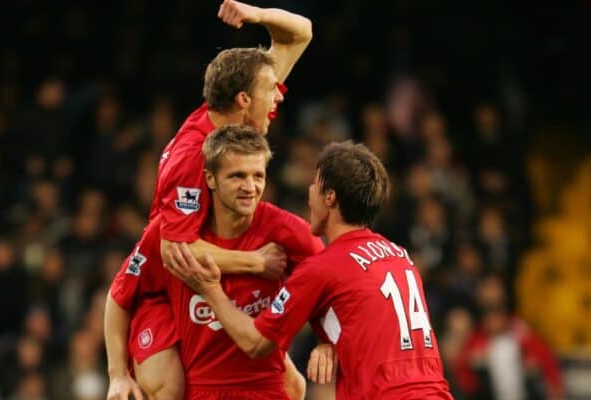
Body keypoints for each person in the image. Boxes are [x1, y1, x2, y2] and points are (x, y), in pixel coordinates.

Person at [105, 1, 313, 399]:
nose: (280, 97)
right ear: (243, 100)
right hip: (167, 288)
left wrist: (256, 15)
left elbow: (301, 32)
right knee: (171, 387)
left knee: (292, 384)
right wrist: (256, 262)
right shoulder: (193, 158)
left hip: (210, 270)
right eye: (272, 91)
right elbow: (174, 250)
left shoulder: (236, 120)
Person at [177, 141, 455, 400]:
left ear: (330, 197)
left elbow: (255, 343)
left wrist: (211, 290)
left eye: (314, 184)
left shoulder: (322, 267)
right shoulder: (399, 256)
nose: (309, 193)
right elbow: (363, 320)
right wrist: (331, 343)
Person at [110, 125, 325, 399]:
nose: (250, 187)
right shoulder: (170, 234)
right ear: (210, 179)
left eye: (258, 175)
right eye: (237, 176)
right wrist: (117, 374)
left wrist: (327, 342)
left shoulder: (290, 233)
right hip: (201, 389)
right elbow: (119, 297)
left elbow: (335, 284)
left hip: (265, 388)